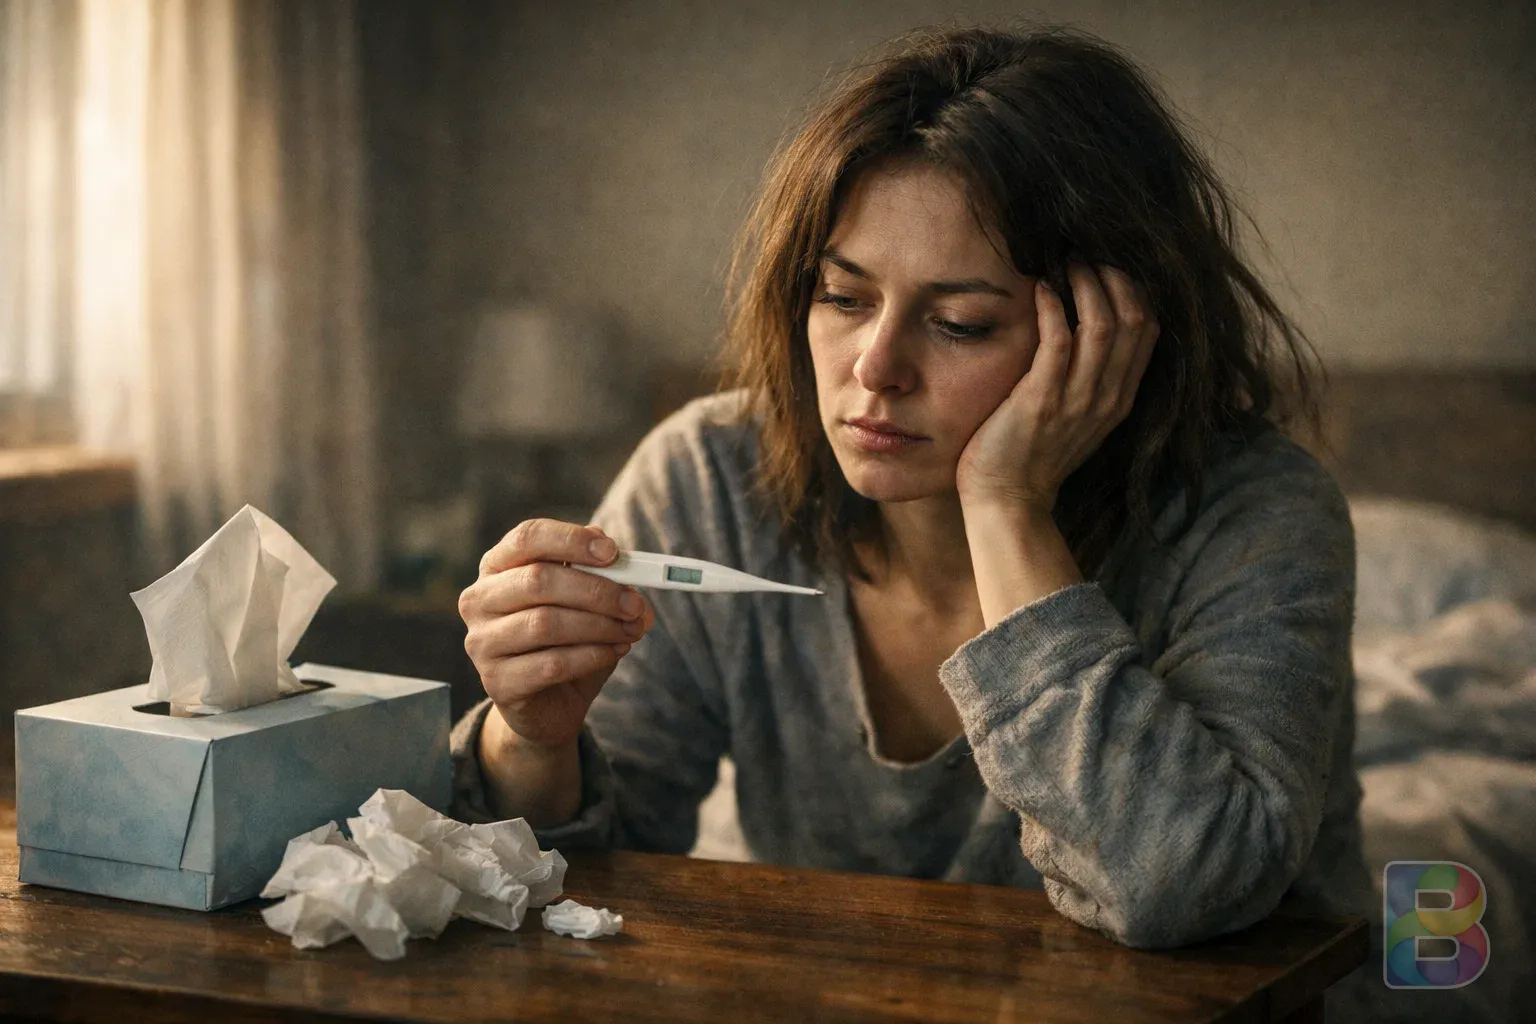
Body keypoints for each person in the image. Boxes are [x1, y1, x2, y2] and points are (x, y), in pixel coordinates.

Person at [451, 24, 1375, 951]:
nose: (877, 367)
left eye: (962, 323)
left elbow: (1179, 887)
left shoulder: (1254, 514)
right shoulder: (710, 479)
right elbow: (585, 876)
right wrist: (533, 742)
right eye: (845, 298)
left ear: (1111, 334)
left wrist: (1008, 503)